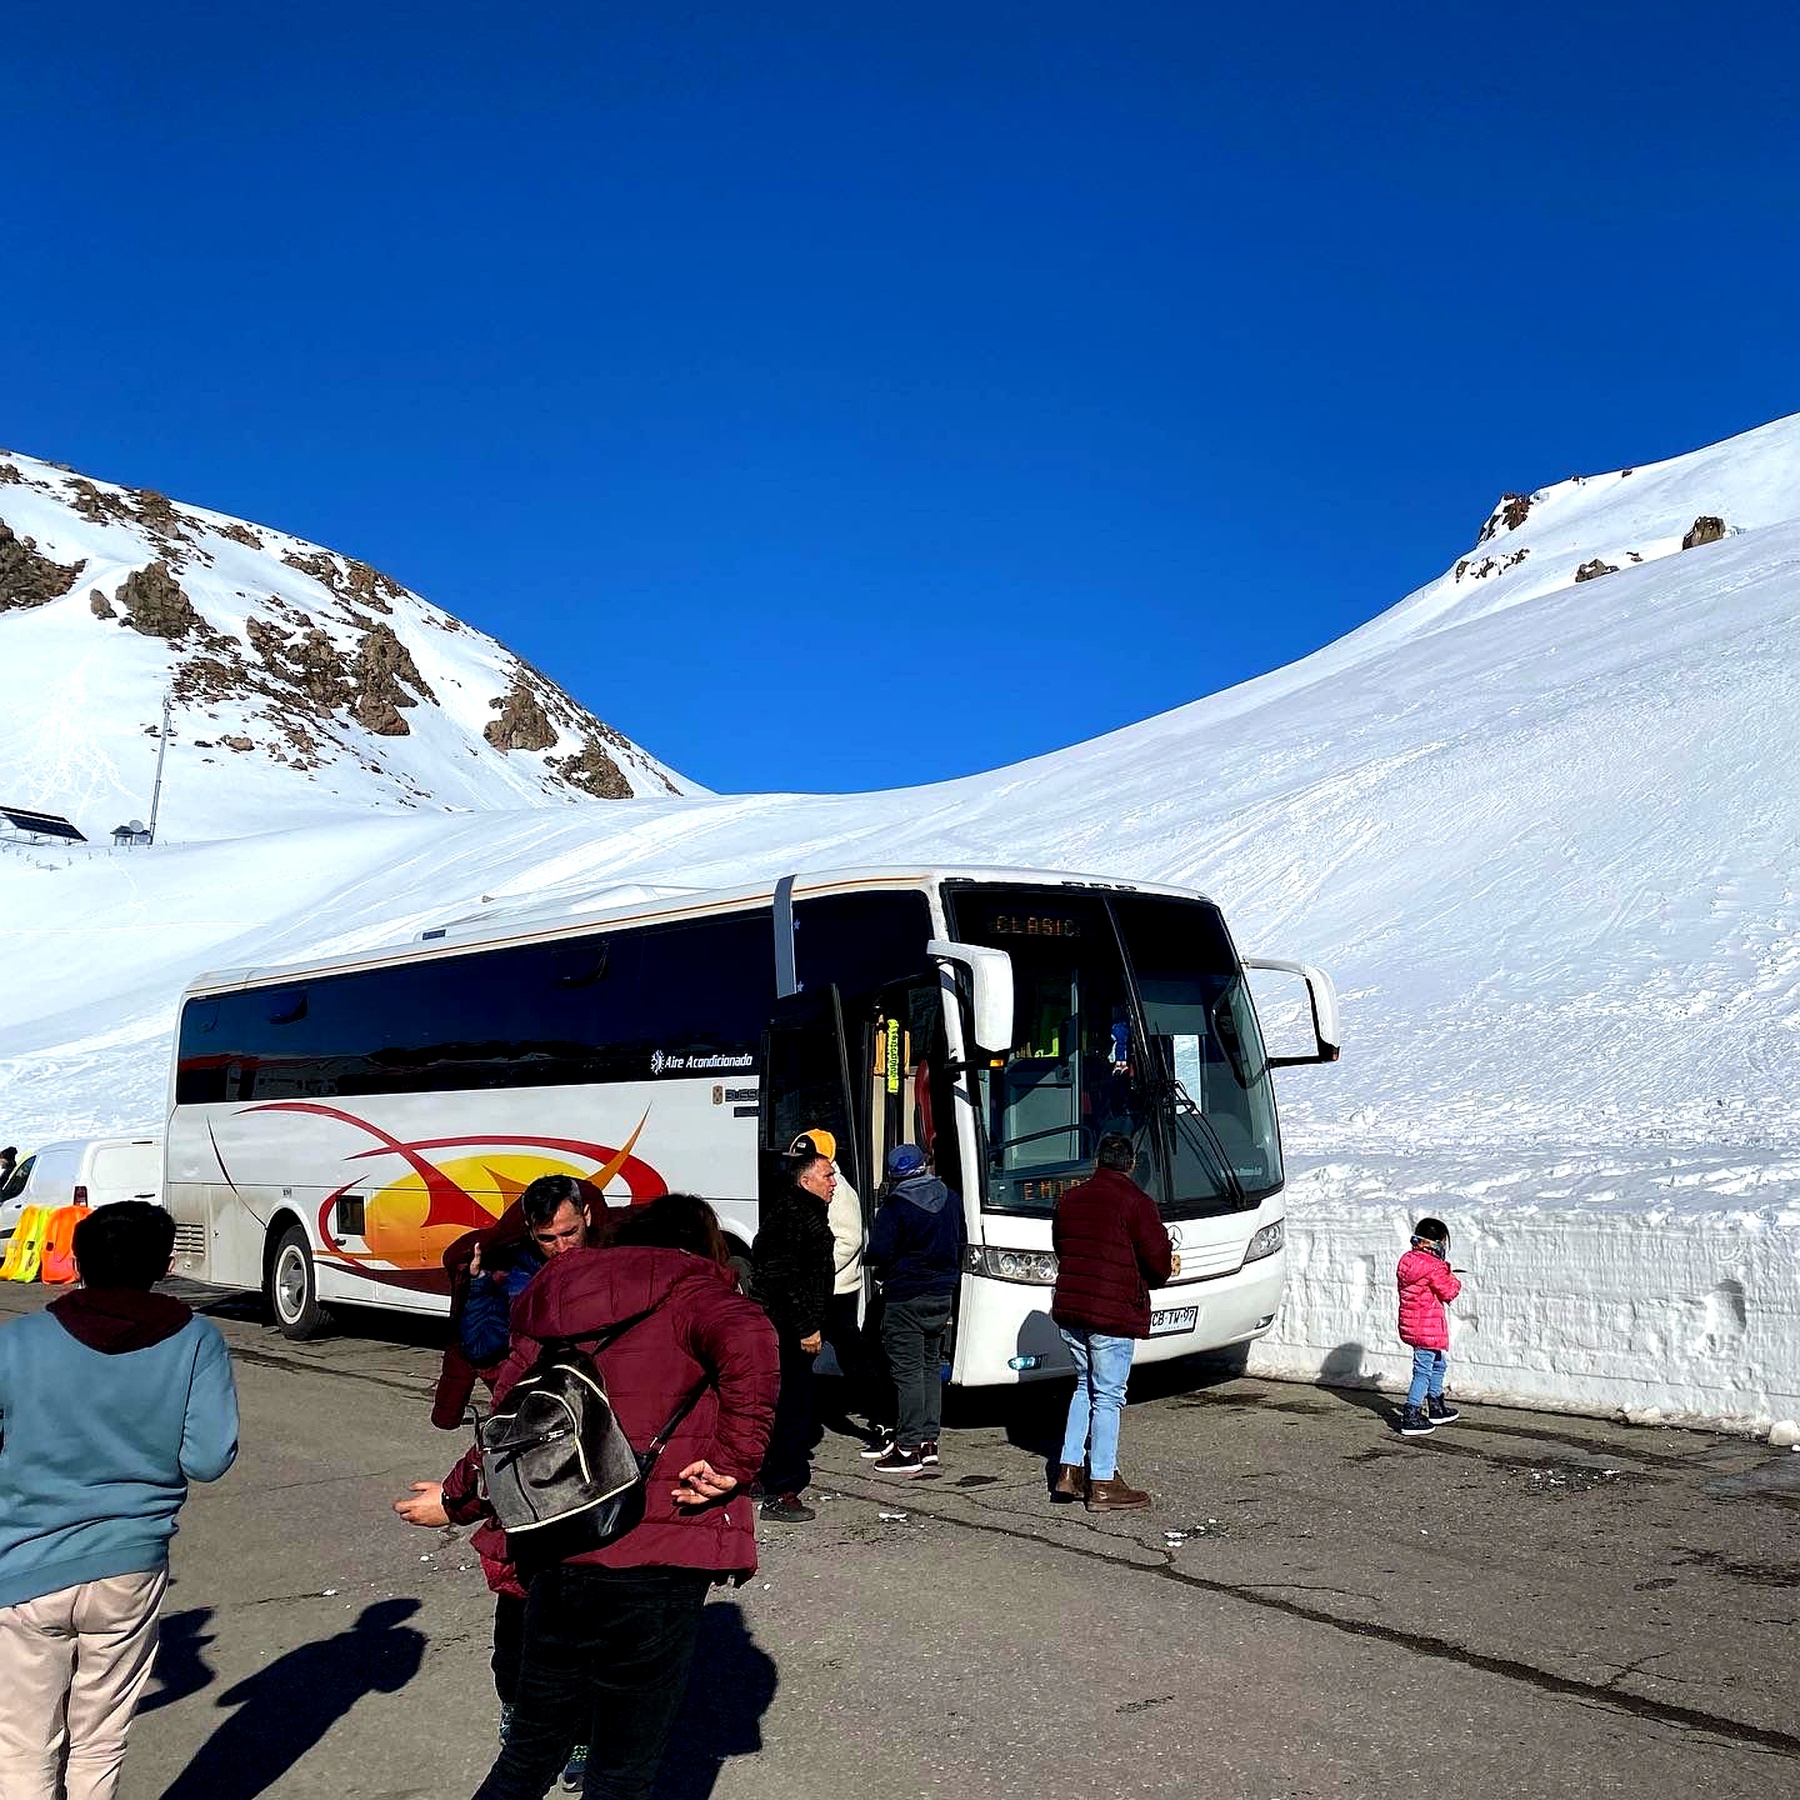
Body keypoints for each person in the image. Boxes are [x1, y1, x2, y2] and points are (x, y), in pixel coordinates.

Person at [396, 1195, 777, 1800]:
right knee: (620, 1772)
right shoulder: (696, 1292)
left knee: (526, 1756)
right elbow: (749, 1332)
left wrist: (456, 1497)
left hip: (562, 1543)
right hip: (659, 1551)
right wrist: (736, 1460)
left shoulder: (560, 1304)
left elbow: (513, 1423)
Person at [0, 1200, 239, 1799]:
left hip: (25, 1562)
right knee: (100, 1735)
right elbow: (207, 1458)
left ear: (75, 1261)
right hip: (129, 1562)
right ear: (164, 1264)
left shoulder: (20, 1340)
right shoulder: (197, 1340)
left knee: (24, 1742)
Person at [424, 1175, 599, 1790]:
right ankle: (518, 1713)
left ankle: (579, 1733)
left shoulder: (609, 1268)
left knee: (580, 1618)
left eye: (570, 1233)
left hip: (592, 1450)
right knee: (516, 1628)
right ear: (530, 1231)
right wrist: (476, 1289)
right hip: (521, 1445)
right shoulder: (506, 1275)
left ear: (587, 1219)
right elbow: (479, 1345)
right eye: (548, 1237)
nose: (561, 1247)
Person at [1048, 1133, 1172, 1512]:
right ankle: (1102, 1481)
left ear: (1097, 1162)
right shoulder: (1137, 1202)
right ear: (1131, 1164)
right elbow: (1158, 1262)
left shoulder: (1070, 1199)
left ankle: (1069, 1470)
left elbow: (1062, 1247)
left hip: (1071, 1308)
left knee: (1084, 1387)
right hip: (1111, 1314)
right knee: (1108, 1396)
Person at [865, 1143, 965, 1479]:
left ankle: (907, 1448)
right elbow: (961, 1239)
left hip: (906, 1295)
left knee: (907, 1372)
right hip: (941, 1293)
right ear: (924, 1165)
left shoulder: (896, 1206)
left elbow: (878, 1251)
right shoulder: (951, 1198)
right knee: (929, 1367)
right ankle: (928, 1442)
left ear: (894, 1176)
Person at [750, 1145, 837, 1522]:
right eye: (827, 1175)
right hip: (788, 1330)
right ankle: (781, 1490)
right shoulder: (793, 1215)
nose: (833, 1182)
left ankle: (763, 1476)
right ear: (806, 1181)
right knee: (791, 1409)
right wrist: (806, 1326)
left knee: (784, 1406)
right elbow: (783, 1278)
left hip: (789, 1325)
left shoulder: (803, 1211)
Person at [790, 1130, 875, 1438]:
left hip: (835, 1290)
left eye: (807, 1159)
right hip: (823, 1286)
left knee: (850, 1356)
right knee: (806, 1353)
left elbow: (850, 1240)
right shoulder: (810, 1189)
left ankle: (881, 1417)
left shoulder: (838, 1193)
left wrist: (814, 1271)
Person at [1396, 1217, 1462, 1437]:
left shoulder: (1408, 1260)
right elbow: (1449, 1291)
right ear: (1436, 1242)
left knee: (1438, 1363)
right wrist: (1451, 1276)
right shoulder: (1433, 1266)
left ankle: (1436, 1404)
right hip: (1427, 1327)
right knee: (1423, 1371)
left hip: (1415, 1324)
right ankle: (1411, 1414)